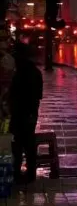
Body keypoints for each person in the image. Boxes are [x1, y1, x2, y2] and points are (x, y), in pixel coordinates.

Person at [9, 42, 43, 183]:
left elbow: (15, 93)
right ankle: (30, 174)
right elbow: (39, 95)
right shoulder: (35, 72)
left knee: (18, 143)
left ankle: (18, 173)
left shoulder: (19, 73)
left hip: (20, 113)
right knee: (28, 143)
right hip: (30, 113)